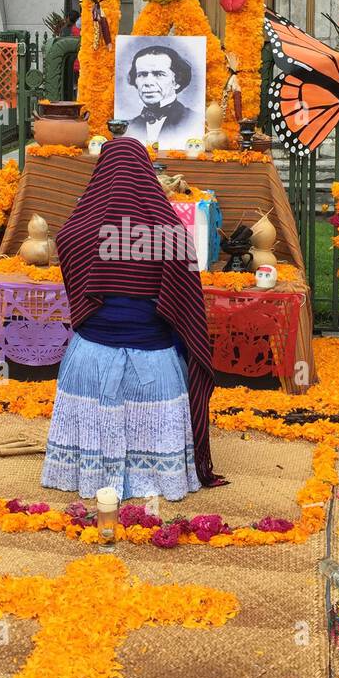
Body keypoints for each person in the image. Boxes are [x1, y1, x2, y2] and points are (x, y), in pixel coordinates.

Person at [42, 139, 225, 501]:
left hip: (89, 361)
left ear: (101, 173)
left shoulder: (78, 232)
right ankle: (156, 474)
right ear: (147, 175)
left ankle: (91, 470)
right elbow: (185, 305)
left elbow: (69, 261)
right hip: (154, 365)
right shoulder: (170, 235)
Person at [122, 44, 199, 145]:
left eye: (159, 74)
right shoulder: (128, 128)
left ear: (177, 82)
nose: (148, 82)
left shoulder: (194, 122)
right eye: (142, 75)